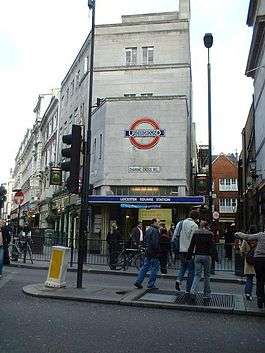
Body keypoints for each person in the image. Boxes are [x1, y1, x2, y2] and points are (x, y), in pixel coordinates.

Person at [187, 220, 218, 300]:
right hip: (207, 256)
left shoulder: (196, 233)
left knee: (197, 275)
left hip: (197, 256)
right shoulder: (210, 234)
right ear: (207, 226)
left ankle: (193, 291)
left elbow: (191, 245)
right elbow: (213, 246)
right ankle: (206, 294)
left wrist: (189, 256)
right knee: (207, 275)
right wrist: (216, 257)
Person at [235, 228, 265, 309]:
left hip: (258, 259)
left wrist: (238, 233)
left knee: (259, 279)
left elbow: (247, 237)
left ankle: (259, 298)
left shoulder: (261, 235)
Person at [173, 210, 199, 293]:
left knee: (183, 265)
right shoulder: (194, 225)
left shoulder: (180, 223)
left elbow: (174, 236)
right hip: (190, 251)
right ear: (196, 218)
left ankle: (178, 280)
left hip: (180, 250)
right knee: (191, 270)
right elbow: (193, 239)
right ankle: (188, 290)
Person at [134, 218, 160, 289]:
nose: (159, 223)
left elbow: (145, 240)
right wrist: (158, 251)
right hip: (154, 252)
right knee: (155, 268)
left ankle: (138, 281)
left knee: (145, 267)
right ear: (154, 222)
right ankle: (151, 284)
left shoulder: (148, 229)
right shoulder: (155, 230)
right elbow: (155, 243)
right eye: (158, 222)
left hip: (148, 251)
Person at [240, 225, 257, 301]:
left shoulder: (246, 239)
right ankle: (259, 295)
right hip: (257, 260)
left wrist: (245, 255)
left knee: (249, 278)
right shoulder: (258, 239)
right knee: (259, 279)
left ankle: (248, 293)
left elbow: (242, 250)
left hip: (248, 260)